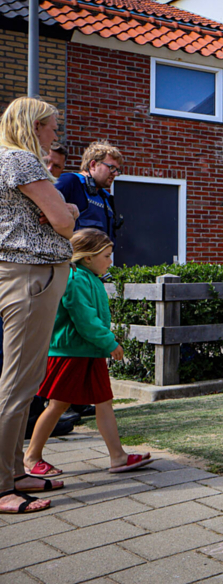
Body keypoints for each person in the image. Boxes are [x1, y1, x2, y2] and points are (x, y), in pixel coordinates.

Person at [23, 230, 153, 478]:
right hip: (70, 354)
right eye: (107, 256)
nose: (110, 261)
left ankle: (118, 457)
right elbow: (85, 320)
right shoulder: (75, 280)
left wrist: (102, 344)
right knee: (57, 405)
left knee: (103, 402)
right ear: (88, 257)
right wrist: (109, 343)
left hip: (89, 352)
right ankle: (31, 456)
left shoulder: (90, 278)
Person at [0, 97, 76, 514]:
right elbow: (63, 222)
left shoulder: (4, 161)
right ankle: (2, 485)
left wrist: (64, 210)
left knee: (22, 381)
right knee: (18, 384)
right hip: (32, 275)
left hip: (20, 273)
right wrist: (68, 211)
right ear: (34, 126)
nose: (55, 135)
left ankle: (14, 471)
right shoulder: (22, 161)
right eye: (52, 126)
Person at [55, 140, 124, 242]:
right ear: (93, 164)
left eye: (117, 170)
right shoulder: (70, 182)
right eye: (111, 167)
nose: (115, 174)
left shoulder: (106, 197)